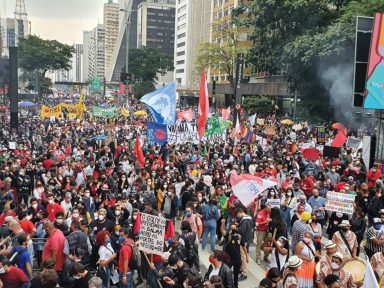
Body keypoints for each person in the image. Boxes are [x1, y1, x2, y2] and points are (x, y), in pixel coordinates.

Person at [221, 220, 247, 288]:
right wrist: (223, 223)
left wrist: (246, 256)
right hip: (228, 259)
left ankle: (236, 285)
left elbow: (244, 247)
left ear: (236, 228)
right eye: (232, 228)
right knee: (226, 273)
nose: (233, 229)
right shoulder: (227, 235)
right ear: (230, 228)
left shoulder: (239, 237)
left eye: (234, 228)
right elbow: (222, 230)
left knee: (236, 274)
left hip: (237, 259)